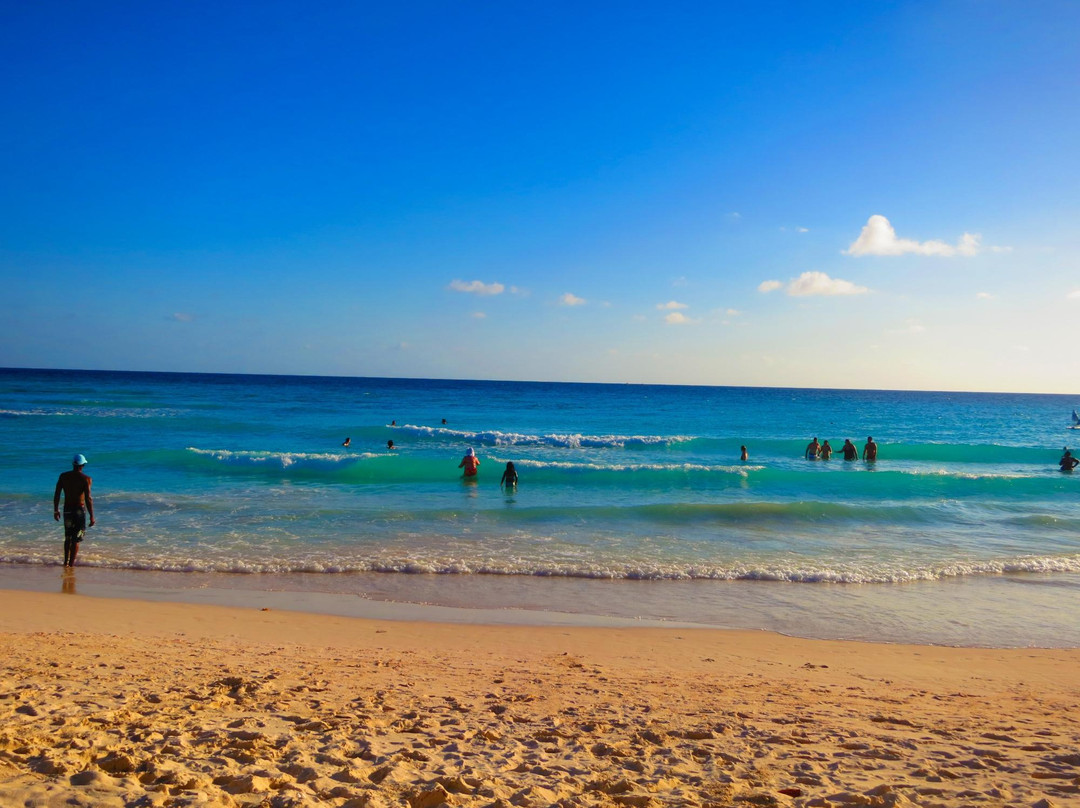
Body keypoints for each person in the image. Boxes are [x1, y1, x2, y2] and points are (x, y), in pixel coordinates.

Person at [54, 454, 94, 567]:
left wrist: (55, 510)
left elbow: (57, 494)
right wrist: (92, 516)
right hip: (79, 511)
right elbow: (88, 498)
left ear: (73, 464)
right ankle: (71, 565)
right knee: (76, 539)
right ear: (83, 465)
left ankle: (65, 562)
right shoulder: (86, 479)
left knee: (68, 537)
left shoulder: (63, 476)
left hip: (67, 509)